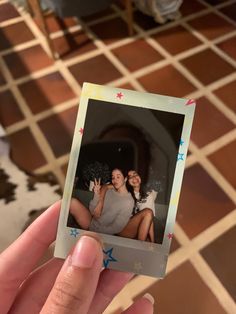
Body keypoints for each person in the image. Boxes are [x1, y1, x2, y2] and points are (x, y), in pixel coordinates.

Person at [0, 201, 154, 313]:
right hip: (99, 227)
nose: (115, 179)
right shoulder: (109, 192)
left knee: (147, 214)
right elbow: (97, 212)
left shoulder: (127, 200)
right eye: (113, 177)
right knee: (70, 205)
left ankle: (146, 244)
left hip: (109, 230)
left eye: (118, 176)